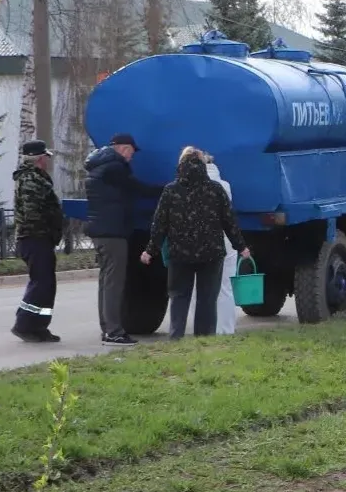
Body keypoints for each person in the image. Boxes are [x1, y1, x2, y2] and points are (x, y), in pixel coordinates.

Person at [141, 146, 251, 340]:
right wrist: (241, 247)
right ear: (203, 164)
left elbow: (160, 224)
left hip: (179, 254)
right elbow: (229, 222)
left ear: (180, 165)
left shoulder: (171, 190)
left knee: (179, 296)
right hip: (211, 253)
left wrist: (150, 250)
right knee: (207, 299)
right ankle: (204, 340)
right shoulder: (216, 189)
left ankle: (176, 338)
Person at [84, 131, 150, 345]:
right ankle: (114, 332)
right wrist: (166, 189)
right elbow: (137, 189)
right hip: (113, 232)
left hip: (101, 231)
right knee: (114, 284)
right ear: (123, 148)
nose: (131, 157)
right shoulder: (115, 168)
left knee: (106, 282)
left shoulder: (99, 166)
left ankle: (107, 329)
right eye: (131, 152)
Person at [10, 140, 65, 343]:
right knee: (41, 283)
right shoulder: (30, 179)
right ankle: (24, 325)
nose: (47, 161)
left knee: (46, 284)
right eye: (45, 157)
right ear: (39, 159)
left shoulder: (34, 177)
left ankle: (39, 326)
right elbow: (33, 212)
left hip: (40, 238)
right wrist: (49, 228)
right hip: (35, 238)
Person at [207, 157, 240, 335]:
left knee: (201, 288)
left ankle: (205, 329)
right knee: (225, 287)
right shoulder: (225, 186)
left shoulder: (194, 186)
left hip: (205, 242)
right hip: (226, 241)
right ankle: (226, 329)